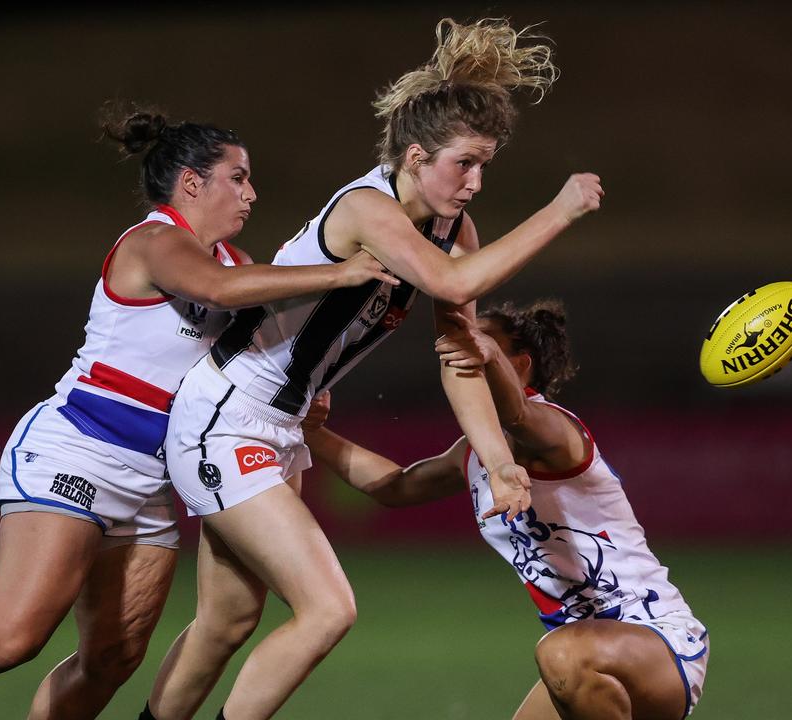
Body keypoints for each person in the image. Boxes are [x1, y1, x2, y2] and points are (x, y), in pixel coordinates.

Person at [0, 105, 397, 720]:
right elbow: (223, 294)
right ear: (193, 183)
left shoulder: (232, 260)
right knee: (10, 640)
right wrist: (340, 273)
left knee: (113, 658)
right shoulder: (155, 241)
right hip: (80, 450)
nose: (252, 193)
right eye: (239, 177)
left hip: (151, 479)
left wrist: (310, 380)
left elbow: (258, 332)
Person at [142, 18, 604, 720]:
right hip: (224, 415)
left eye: (484, 166)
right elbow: (450, 287)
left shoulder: (454, 233)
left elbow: (461, 356)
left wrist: (497, 459)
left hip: (281, 427)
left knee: (226, 624)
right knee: (327, 610)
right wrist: (558, 212)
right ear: (416, 156)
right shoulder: (368, 209)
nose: (476, 182)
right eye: (464, 164)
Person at [304, 300, 710, 719]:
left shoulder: (554, 429)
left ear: (519, 364)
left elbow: (516, 415)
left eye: (481, 340)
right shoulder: (475, 452)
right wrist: (309, 430)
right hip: (582, 657)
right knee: (563, 653)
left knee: (561, 652)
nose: (460, 347)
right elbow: (395, 486)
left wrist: (487, 351)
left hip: (656, 641)